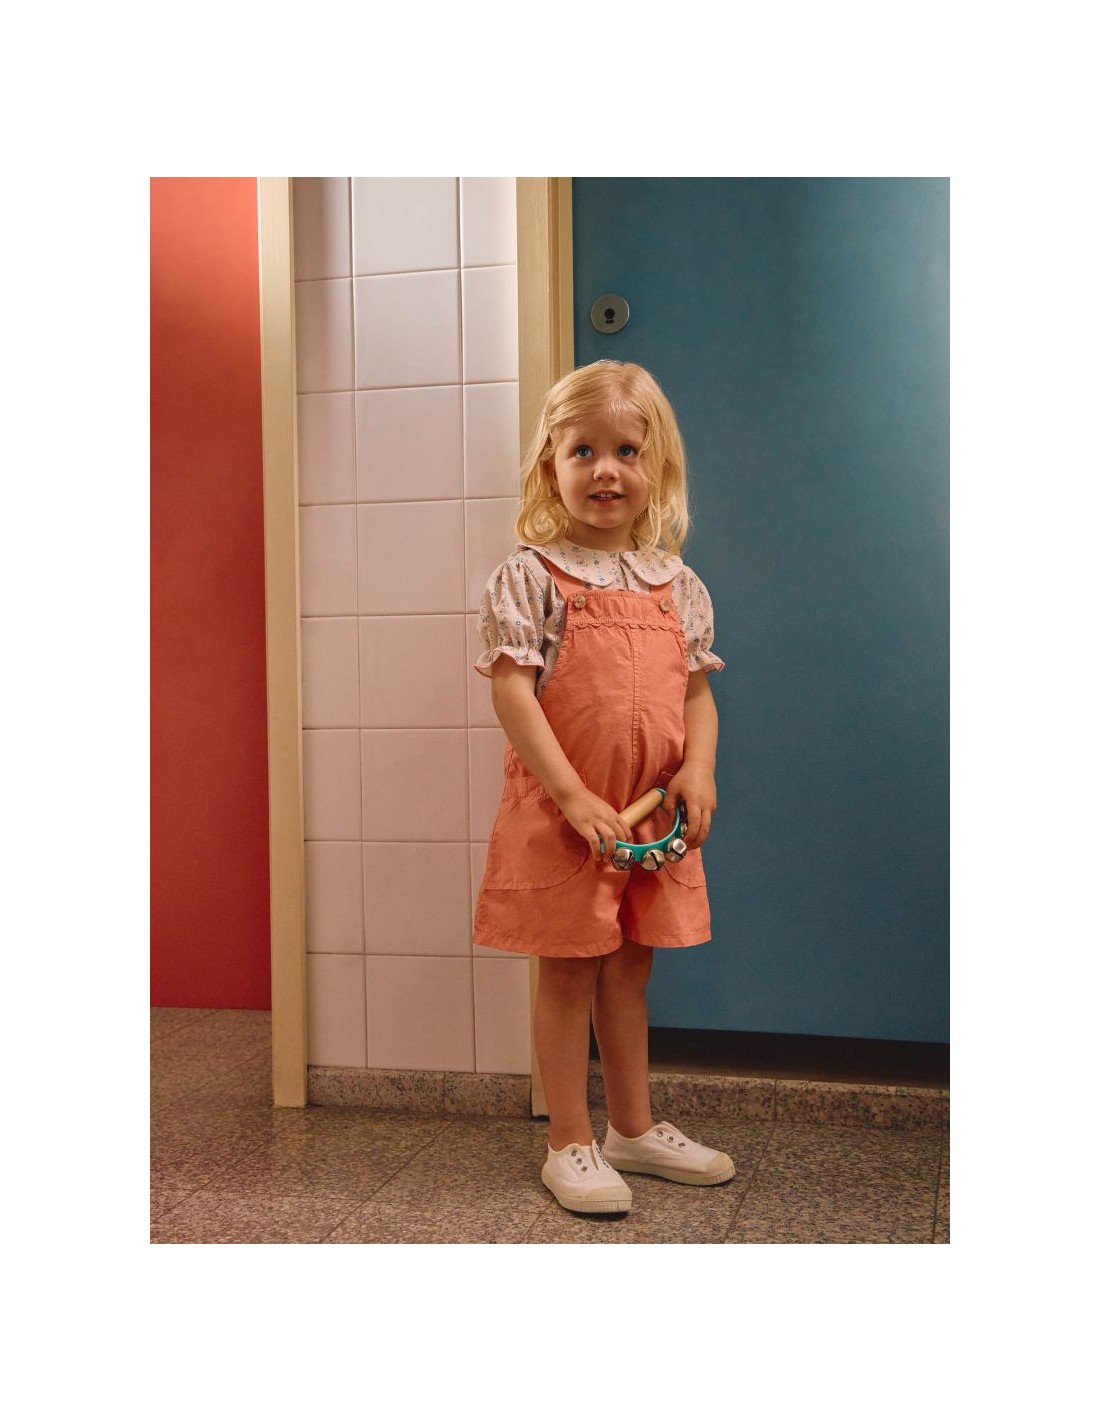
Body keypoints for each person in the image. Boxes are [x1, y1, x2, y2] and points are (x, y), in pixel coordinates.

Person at [472, 359, 735, 1216]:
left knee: (629, 968)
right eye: (582, 450)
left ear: (658, 467)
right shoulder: (531, 577)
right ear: (550, 464)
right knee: (568, 971)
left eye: (627, 450)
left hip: (651, 816)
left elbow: (695, 693)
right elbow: (513, 691)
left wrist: (698, 768)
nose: (605, 470)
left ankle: (632, 1128)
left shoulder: (676, 585)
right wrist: (572, 796)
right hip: (569, 817)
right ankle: (568, 1141)